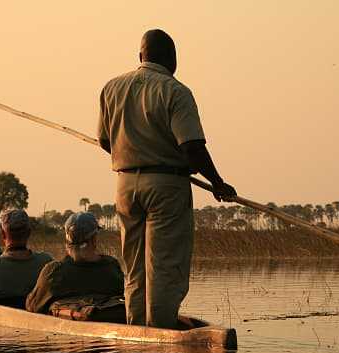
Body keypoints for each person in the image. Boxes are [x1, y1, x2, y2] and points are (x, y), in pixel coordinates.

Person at [97, 29, 237, 328]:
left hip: (125, 184)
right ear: (173, 60)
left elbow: (105, 141)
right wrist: (217, 183)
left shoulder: (112, 88)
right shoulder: (175, 91)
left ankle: (136, 331)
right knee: (163, 267)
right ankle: (160, 332)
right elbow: (192, 147)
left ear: (140, 56)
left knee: (134, 268)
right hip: (165, 185)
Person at [25, 212, 124, 321]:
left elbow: (33, 306)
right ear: (94, 240)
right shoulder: (111, 266)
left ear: (67, 241)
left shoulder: (54, 271)